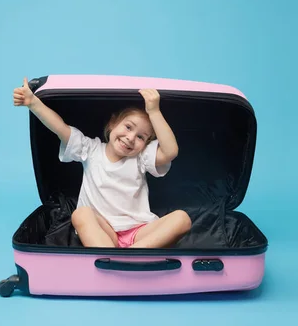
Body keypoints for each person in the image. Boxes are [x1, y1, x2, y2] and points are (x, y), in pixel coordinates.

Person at [13, 77, 192, 248]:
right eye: (128, 127)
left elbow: (170, 151)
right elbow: (60, 128)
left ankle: (130, 254)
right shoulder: (91, 149)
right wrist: (33, 103)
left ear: (145, 144)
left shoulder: (141, 157)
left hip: (139, 232)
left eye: (140, 137)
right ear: (113, 123)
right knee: (81, 214)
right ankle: (112, 253)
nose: (130, 138)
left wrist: (154, 111)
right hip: (104, 232)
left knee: (182, 219)